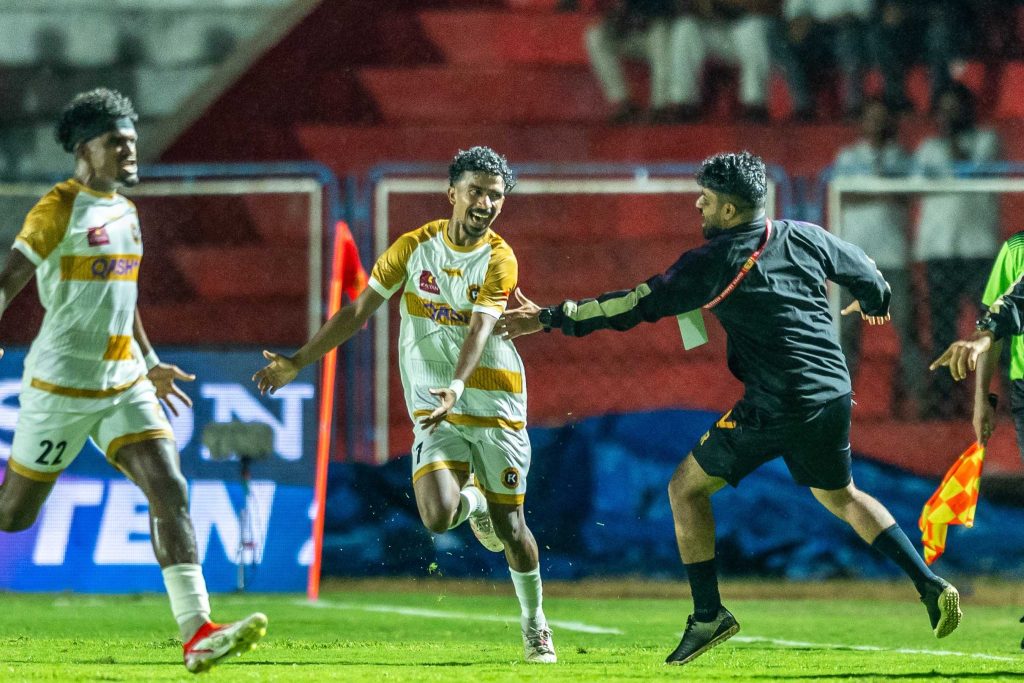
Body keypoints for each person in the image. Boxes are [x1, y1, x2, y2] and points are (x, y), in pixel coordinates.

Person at [496, 151, 961, 665]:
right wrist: (875, 301)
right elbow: (868, 271)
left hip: (777, 403)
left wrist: (551, 317)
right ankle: (928, 583)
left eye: (708, 199)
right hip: (832, 393)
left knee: (684, 489)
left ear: (731, 211)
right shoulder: (805, 235)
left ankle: (708, 615)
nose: (699, 205)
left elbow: (634, 304)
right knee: (842, 495)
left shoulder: (714, 261)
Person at [253, 146, 557, 664]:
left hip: (495, 403)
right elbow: (358, 312)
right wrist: (298, 361)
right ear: (452, 192)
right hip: (434, 407)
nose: (485, 203)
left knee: (513, 530)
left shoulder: (499, 258)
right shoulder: (414, 248)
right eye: (476, 191)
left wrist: (457, 386)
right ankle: (474, 502)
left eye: (495, 196)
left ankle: (535, 625)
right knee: (438, 518)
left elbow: (480, 328)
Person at [0, 88, 266, 673]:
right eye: (116, 142)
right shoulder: (58, 209)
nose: (129, 151)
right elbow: (7, 280)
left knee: (169, 488)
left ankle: (197, 632)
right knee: (13, 516)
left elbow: (124, 299)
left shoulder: (126, 212)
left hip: (124, 381)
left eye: (132, 141)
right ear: (84, 149)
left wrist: (149, 360)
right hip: (61, 387)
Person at [913, 83, 1001, 419]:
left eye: (955, 108)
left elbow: (968, 168)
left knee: (994, 328)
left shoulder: (986, 141)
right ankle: (945, 401)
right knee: (942, 331)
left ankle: (1006, 397)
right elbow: (918, 185)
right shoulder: (926, 148)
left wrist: (951, 142)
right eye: (944, 109)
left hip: (979, 248)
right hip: (940, 250)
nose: (949, 115)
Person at [831, 98, 922, 415]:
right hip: (851, 261)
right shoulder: (848, 156)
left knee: (908, 332)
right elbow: (842, 194)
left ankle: (920, 400)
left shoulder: (903, 157)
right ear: (862, 122)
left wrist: (871, 190)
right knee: (846, 337)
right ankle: (838, 402)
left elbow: (907, 195)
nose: (877, 124)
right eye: (871, 117)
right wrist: (884, 191)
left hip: (894, 258)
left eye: (883, 117)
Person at [669, 0, 778, 122]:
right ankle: (685, 102)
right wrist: (699, 5)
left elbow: (769, 7)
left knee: (755, 27)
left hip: (745, 30)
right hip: (715, 29)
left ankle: (755, 104)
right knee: (685, 27)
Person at [775, 0, 870, 121]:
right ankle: (803, 107)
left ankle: (853, 106)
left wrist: (837, 19)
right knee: (785, 41)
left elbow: (864, 10)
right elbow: (794, 10)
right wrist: (800, 21)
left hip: (846, 28)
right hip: (814, 30)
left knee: (848, 39)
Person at [584, 0, 677, 124]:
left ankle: (661, 106)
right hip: (627, 33)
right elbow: (598, 10)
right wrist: (616, 17)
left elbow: (670, 9)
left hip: (656, 32)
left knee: (660, 31)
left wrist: (645, 16)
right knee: (595, 36)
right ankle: (624, 102)